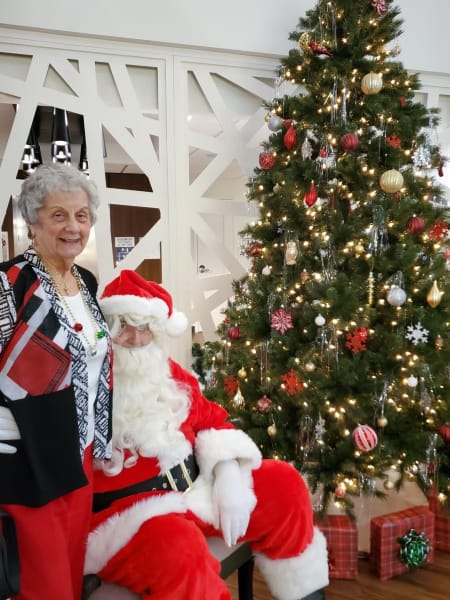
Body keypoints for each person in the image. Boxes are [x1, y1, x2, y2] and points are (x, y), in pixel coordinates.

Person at [84, 269, 328, 600]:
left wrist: (227, 474)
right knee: (178, 548)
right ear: (108, 330)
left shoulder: (168, 373)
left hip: (193, 493)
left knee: (283, 484)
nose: (136, 338)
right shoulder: (86, 385)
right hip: (132, 519)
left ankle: (304, 593)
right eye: (124, 326)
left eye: (145, 328)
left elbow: (212, 419)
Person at [0, 164, 113, 600]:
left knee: (69, 571)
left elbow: (84, 352)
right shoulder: (10, 284)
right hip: (27, 456)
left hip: (78, 451)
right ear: (33, 220)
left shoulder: (86, 282)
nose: (73, 227)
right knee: (42, 584)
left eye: (82, 215)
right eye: (59, 215)